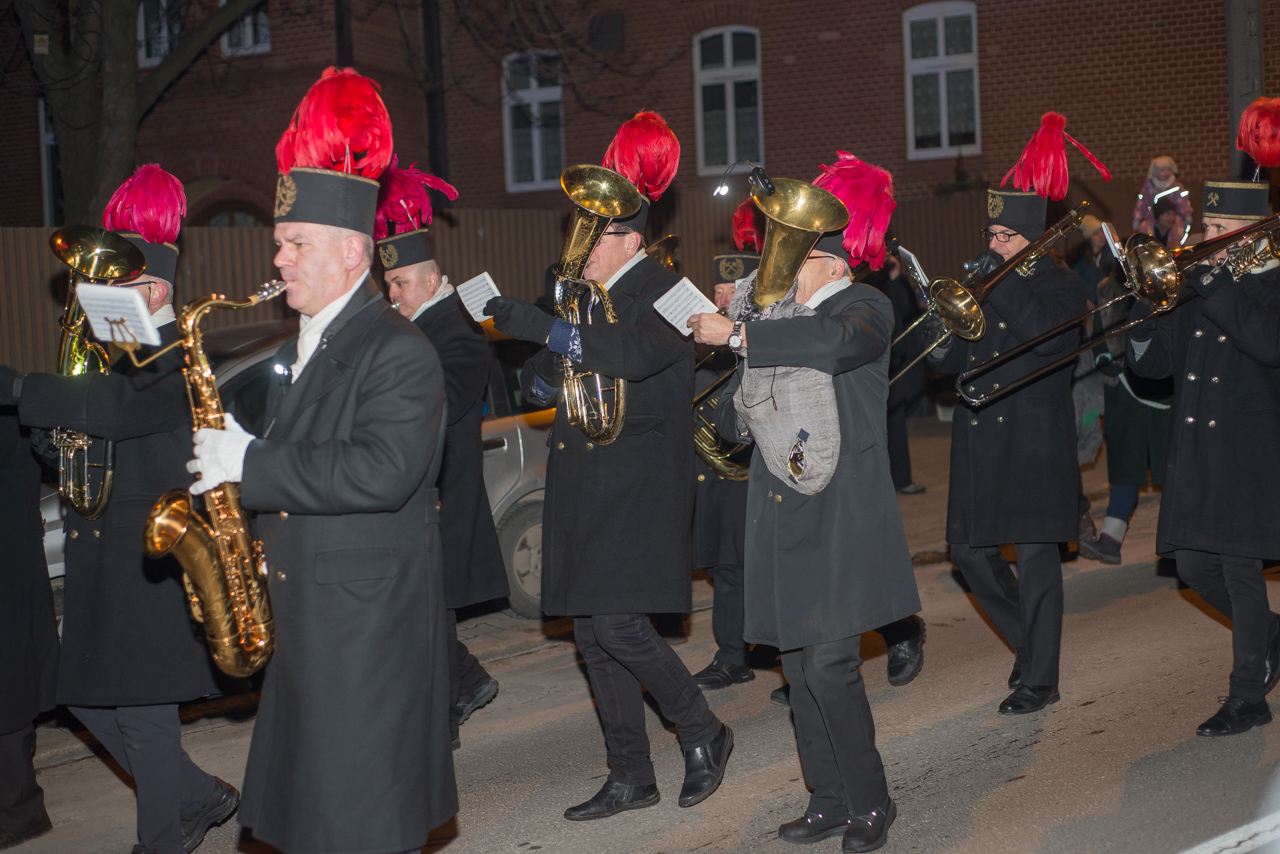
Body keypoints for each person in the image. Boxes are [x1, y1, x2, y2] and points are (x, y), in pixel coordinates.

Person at [188, 68, 457, 853]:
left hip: (365, 634)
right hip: (313, 623)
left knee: (363, 821)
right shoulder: (311, 341)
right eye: (279, 243)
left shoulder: (399, 349)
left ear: (349, 253)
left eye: (295, 243)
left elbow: (382, 471)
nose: (280, 259)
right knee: (320, 822)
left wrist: (251, 460)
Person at [485, 111, 732, 821]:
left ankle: (703, 729)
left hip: (639, 490)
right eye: (579, 230)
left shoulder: (670, 292)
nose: (581, 244)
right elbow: (558, 369)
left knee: (619, 627)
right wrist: (536, 368)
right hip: (586, 485)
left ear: (631, 238)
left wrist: (547, 326)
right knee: (592, 633)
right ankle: (630, 773)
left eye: (595, 233)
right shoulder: (584, 299)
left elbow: (626, 355)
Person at [0, 165, 237, 854]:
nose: (99, 293)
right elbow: (89, 442)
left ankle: (161, 838)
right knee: (81, 695)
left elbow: (118, 412)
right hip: (103, 554)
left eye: (118, 281)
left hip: (153, 557)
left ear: (155, 288)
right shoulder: (115, 355)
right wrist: (51, 442)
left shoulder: (175, 355)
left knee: (144, 712)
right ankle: (198, 797)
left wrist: (18, 389)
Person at [689, 151, 921, 853]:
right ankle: (826, 799)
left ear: (825, 259)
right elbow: (737, 420)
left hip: (841, 510)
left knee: (829, 666)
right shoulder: (781, 316)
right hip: (783, 507)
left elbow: (829, 347)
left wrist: (740, 332)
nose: (776, 262)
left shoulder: (864, 306)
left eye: (791, 253)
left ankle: (871, 801)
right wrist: (733, 386)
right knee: (797, 665)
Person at [928, 113, 1100, 714]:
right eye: (991, 234)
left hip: (1032, 440)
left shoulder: (1062, 286)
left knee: (1036, 560)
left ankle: (1041, 679)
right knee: (970, 556)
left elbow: (1044, 339)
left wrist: (998, 281)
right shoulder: (989, 282)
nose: (992, 245)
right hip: (980, 438)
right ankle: (1030, 644)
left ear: (1031, 240)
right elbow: (946, 363)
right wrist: (942, 331)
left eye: (1004, 238)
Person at [1127, 167, 1280, 737]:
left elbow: (1265, 344)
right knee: (1191, 565)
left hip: (1248, 451)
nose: (1202, 233)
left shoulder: (1269, 284)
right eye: (1205, 221)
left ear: (1252, 232)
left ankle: (1248, 695)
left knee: (1239, 567)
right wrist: (1142, 315)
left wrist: (1214, 284)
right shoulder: (1198, 284)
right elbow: (1155, 366)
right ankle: (1268, 630)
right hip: (1196, 450)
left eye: (1216, 224)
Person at [376, 162, 507, 747]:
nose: (392, 296)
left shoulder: (456, 328)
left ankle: (446, 712)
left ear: (432, 280)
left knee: (430, 606)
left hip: (445, 489)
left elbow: (449, 400)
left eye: (400, 285)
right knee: (422, 607)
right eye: (388, 287)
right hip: (418, 489)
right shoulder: (417, 324)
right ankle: (466, 682)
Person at [1074, 217, 1173, 565]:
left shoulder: (1169, 289)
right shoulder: (1107, 290)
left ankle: (1182, 541)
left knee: (1173, 469)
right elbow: (1100, 339)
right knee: (1125, 467)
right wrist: (1108, 364)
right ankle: (1111, 541)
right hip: (1124, 392)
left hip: (1165, 391)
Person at [691, 200, 758, 691]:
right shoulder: (703, 343)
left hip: (756, 472)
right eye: (717, 289)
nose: (721, 298)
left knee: (757, 566)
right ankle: (733, 653)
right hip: (712, 474)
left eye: (731, 290)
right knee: (724, 566)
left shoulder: (767, 336)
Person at [0, 411, 58, 850]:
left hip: (10, 574)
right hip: (16, 569)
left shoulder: (10, 411)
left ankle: (22, 812)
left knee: (9, 698)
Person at [864, 250, 927, 494]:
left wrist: (896, 277)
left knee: (896, 420)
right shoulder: (866, 279)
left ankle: (901, 479)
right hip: (873, 356)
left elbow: (907, 309)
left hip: (892, 358)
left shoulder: (887, 279)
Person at [1132, 155, 1192, 247]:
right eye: (1162, 170)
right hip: (1152, 217)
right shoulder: (1149, 188)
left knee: (1178, 230)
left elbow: (1183, 201)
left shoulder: (1176, 187)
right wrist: (1137, 219)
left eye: (1168, 169)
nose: (1165, 173)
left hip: (1176, 218)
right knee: (1145, 232)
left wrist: (1187, 214)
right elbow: (1142, 203)